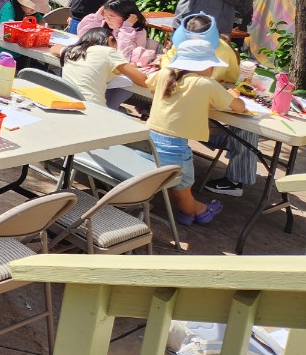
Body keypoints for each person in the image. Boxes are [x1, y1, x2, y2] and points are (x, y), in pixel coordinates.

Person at [143, 37, 246, 225]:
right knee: (182, 191)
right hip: (175, 149)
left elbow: (150, 87)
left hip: (147, 140)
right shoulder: (206, 84)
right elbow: (239, 107)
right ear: (202, 65)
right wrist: (234, 95)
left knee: (176, 185)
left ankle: (190, 214)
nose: (214, 70)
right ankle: (199, 210)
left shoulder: (165, 73)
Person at [160, 14, 254, 199]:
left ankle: (236, 179)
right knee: (247, 129)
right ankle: (236, 179)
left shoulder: (221, 52)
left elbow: (234, 79)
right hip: (197, 119)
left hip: (189, 116)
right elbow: (238, 103)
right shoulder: (206, 82)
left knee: (244, 130)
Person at [52, 27, 150, 108]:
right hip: (93, 108)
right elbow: (144, 81)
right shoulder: (108, 52)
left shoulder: (72, 50)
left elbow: (54, 48)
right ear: (110, 39)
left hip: (67, 104)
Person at [75, 0, 154, 66]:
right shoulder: (104, 24)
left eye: (112, 16)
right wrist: (97, 16)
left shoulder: (138, 33)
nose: (107, 19)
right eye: (105, 14)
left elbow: (124, 55)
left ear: (127, 16)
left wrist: (126, 28)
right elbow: (83, 36)